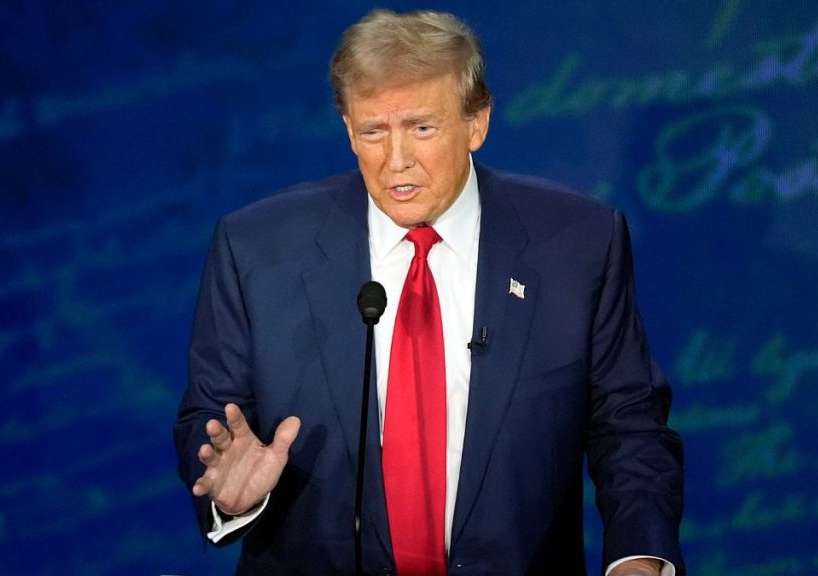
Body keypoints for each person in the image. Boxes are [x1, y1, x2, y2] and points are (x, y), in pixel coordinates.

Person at [175, 8, 684, 575]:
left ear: (477, 123)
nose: (397, 161)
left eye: (421, 127)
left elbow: (630, 424)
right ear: (348, 129)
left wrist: (639, 558)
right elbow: (212, 417)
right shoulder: (256, 250)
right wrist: (229, 495)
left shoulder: (577, 244)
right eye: (373, 131)